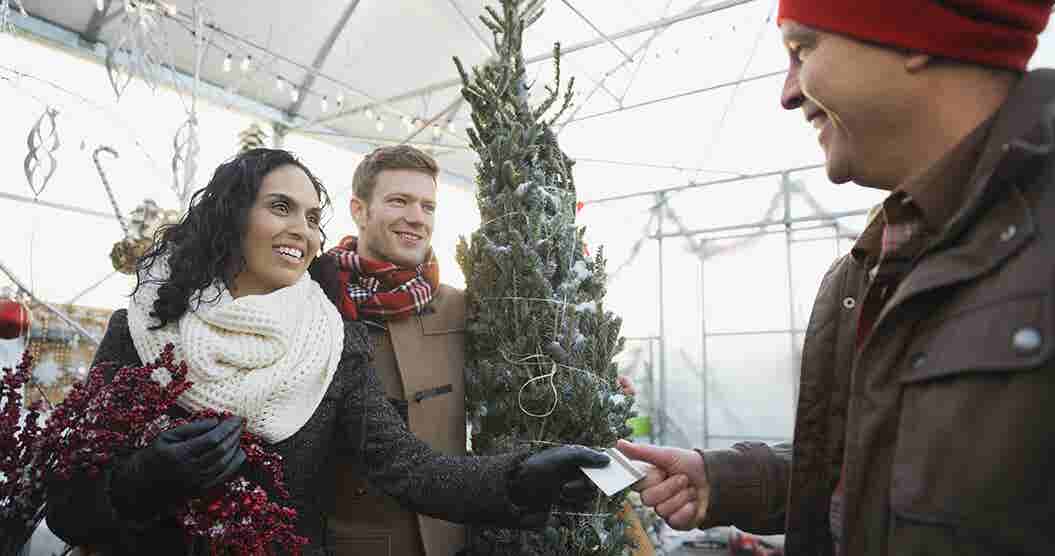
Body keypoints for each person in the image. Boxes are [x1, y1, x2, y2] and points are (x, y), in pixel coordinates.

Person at [618, 1, 1055, 555]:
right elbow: (872, 473)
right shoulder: (869, 264)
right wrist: (724, 479)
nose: (788, 94)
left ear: (915, 28)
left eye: (804, 50)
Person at [44, 148, 610, 555]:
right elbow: (69, 505)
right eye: (282, 207)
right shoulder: (140, 332)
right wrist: (144, 479)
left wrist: (520, 478)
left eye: (313, 217)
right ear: (232, 215)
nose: (305, 231)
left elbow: (407, 466)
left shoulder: (331, 342)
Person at [313, 145, 636, 556]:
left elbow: (526, 374)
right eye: (399, 201)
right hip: (352, 544)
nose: (416, 217)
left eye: (428, 206)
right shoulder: (319, 306)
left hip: (454, 537)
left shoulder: (461, 308)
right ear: (359, 210)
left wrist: (593, 387)